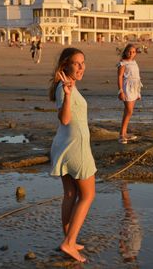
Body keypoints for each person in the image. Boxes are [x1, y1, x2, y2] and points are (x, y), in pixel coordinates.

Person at [49, 48, 97, 263]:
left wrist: (70, 91)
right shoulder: (64, 88)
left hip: (65, 145)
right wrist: (68, 95)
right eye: (76, 63)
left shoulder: (66, 85)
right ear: (65, 65)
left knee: (70, 194)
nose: (81, 67)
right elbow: (65, 119)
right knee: (87, 196)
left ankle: (69, 239)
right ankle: (69, 243)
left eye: (83, 63)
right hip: (76, 148)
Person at [117, 44, 143, 144]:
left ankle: (124, 133)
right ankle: (121, 135)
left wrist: (138, 92)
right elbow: (119, 77)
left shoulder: (134, 62)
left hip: (135, 88)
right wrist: (120, 91)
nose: (131, 53)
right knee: (129, 111)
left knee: (129, 111)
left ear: (135, 53)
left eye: (133, 52)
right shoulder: (122, 63)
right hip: (127, 88)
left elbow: (137, 77)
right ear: (125, 52)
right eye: (129, 51)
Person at [119, 182, 142, 266]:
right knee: (127, 204)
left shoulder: (135, 251)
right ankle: (123, 186)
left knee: (126, 204)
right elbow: (122, 243)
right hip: (131, 226)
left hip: (132, 226)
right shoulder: (131, 252)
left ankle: (123, 186)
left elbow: (123, 242)